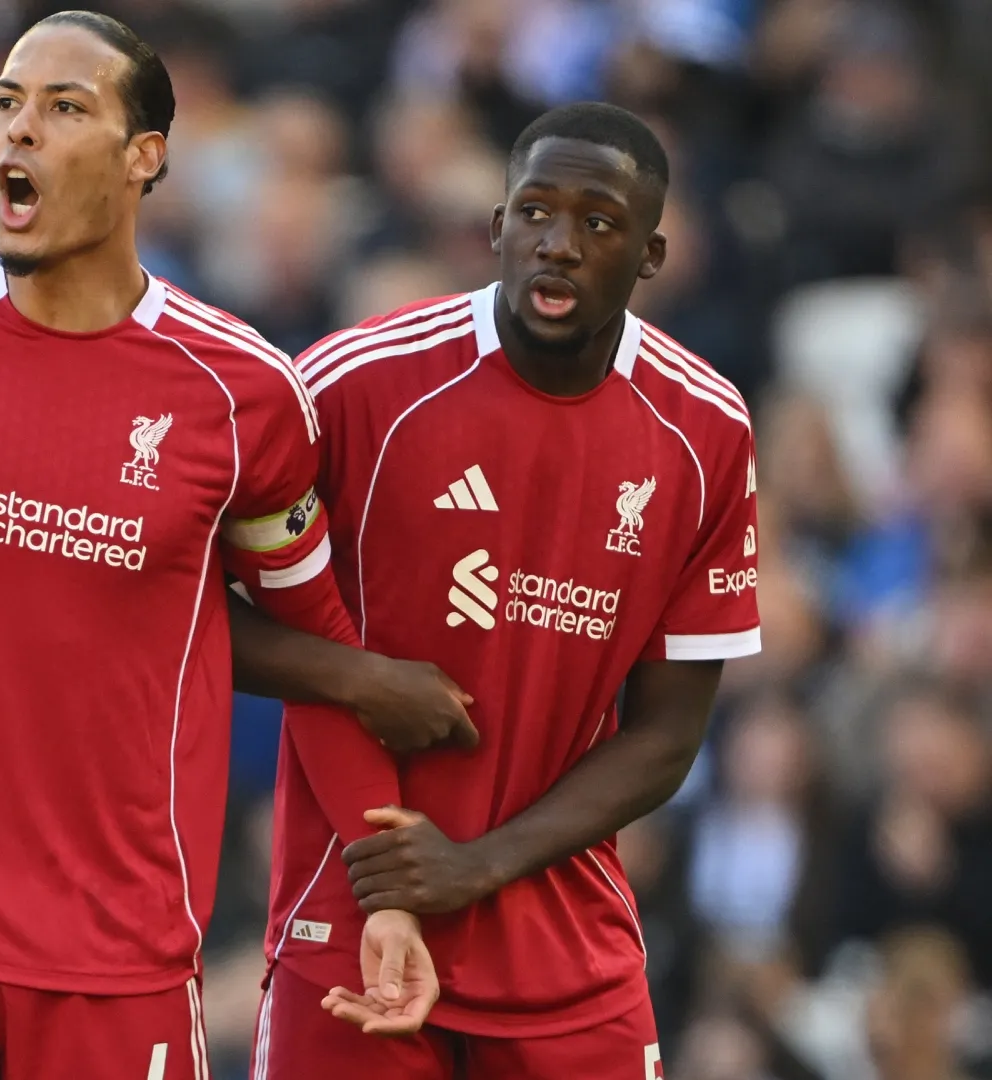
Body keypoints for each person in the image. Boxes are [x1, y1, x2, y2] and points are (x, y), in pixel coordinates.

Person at [0, 11, 470, 1079]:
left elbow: (322, 647)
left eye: (64, 108)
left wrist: (386, 898)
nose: (19, 130)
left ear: (144, 155)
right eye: (5, 104)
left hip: (115, 956)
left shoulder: (240, 393)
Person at [240, 101, 762, 1078]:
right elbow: (206, 612)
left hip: (562, 941)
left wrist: (476, 865)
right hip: (354, 917)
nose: (558, 244)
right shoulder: (354, 384)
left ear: (651, 255)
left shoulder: (706, 431)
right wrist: (362, 680)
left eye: (598, 222)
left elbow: (668, 735)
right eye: (535, 213)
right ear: (496, 228)